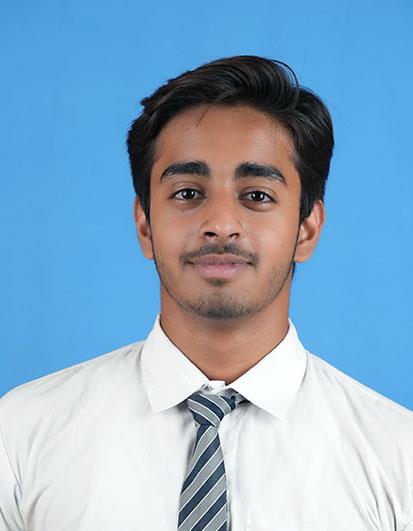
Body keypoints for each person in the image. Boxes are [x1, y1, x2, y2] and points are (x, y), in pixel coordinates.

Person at [0, 55, 412, 531]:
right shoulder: (21, 434)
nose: (220, 224)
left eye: (257, 195)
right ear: (144, 225)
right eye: (187, 193)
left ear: (307, 229)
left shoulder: (397, 456)